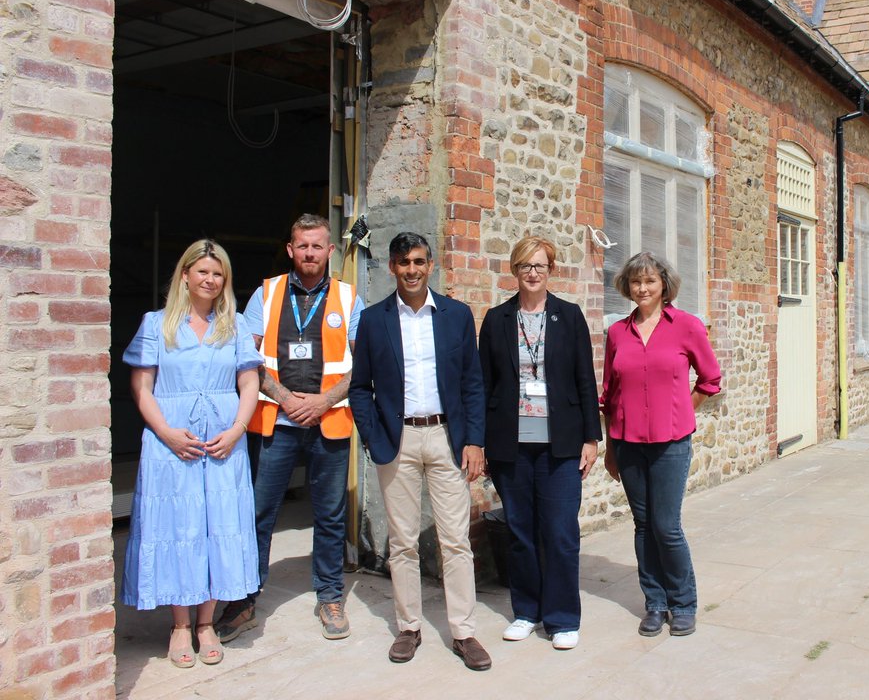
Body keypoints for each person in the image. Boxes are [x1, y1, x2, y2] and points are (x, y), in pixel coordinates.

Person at [214, 214, 364, 642]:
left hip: (329, 422)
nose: (310, 253)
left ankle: (330, 595)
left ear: (330, 250)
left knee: (331, 515)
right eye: (303, 246)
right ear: (290, 249)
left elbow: (363, 364)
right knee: (259, 513)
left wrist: (322, 401)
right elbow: (247, 357)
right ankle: (244, 599)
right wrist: (285, 398)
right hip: (274, 423)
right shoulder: (266, 293)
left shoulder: (349, 298)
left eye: (317, 246)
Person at [348, 232, 492, 671]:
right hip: (399, 442)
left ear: (430, 265)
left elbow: (472, 383)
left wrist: (474, 440)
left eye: (418, 261)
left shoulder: (455, 315)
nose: (411, 270)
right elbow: (359, 388)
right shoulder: (373, 320)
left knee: (456, 541)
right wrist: (372, 437)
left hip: (447, 438)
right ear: (392, 267)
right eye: (403, 262)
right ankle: (409, 627)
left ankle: (463, 631)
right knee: (403, 542)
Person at [122, 239, 262, 668]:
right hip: (171, 442)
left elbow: (249, 383)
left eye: (218, 274)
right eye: (202, 271)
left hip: (223, 441)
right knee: (178, 527)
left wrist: (237, 430)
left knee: (219, 525)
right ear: (185, 275)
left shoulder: (235, 325)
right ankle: (180, 625)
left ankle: (206, 623)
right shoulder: (156, 324)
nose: (210, 280)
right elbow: (141, 386)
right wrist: (166, 432)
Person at [478, 236, 601, 651]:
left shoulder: (569, 315)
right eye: (526, 266)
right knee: (520, 532)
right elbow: (484, 384)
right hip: (511, 444)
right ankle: (527, 612)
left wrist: (591, 437)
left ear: (551, 271)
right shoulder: (497, 319)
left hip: (561, 443)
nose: (533, 273)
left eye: (540, 266)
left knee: (560, 532)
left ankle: (562, 618)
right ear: (514, 270)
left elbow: (585, 378)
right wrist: (481, 442)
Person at [601, 251, 721, 638]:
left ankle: (683, 603)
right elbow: (609, 394)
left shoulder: (686, 326)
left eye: (650, 281)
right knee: (642, 525)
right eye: (636, 281)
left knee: (666, 527)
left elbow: (710, 379)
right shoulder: (617, 333)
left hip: (671, 444)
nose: (643, 288)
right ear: (627, 286)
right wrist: (610, 449)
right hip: (627, 443)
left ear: (664, 285)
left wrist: (682, 409)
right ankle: (655, 603)